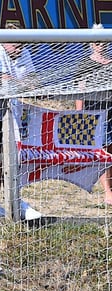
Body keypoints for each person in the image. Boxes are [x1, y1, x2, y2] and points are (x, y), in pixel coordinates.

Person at [0, 28, 42, 220]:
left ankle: (13, 200)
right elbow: (1, 81)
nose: (19, 48)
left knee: (14, 157)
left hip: (14, 112)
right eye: (15, 44)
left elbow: (33, 81)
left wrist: (20, 83)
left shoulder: (23, 51)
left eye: (21, 44)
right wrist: (21, 83)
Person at [75, 24, 112, 206]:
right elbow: (80, 91)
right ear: (91, 43)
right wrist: (80, 114)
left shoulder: (111, 62)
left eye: (103, 41)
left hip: (111, 110)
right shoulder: (85, 64)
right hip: (96, 113)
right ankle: (107, 191)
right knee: (103, 151)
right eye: (97, 41)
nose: (100, 44)